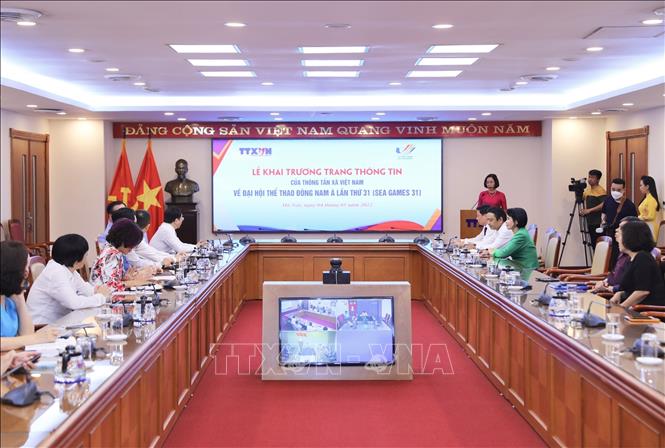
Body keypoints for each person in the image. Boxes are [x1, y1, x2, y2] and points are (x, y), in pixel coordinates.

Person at [27, 234, 110, 325]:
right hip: (43, 327)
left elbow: (86, 290)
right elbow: (74, 303)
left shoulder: (68, 269)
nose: (86, 259)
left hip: (60, 322)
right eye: (86, 255)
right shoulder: (56, 272)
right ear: (76, 260)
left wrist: (97, 291)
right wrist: (100, 297)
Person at [1, 241, 60, 351]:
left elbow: (27, 334)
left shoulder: (10, 299)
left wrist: (20, 300)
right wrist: (36, 338)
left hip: (15, 356)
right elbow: (29, 338)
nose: (27, 273)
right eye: (26, 267)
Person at [609, 221, 665, 307]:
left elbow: (642, 292)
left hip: (648, 310)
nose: (618, 240)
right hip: (638, 308)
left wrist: (621, 308)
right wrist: (620, 294)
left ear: (630, 237)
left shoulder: (643, 258)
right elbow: (633, 288)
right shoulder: (634, 258)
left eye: (620, 236)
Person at [91, 219, 151, 292]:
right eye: (132, 244)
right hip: (102, 296)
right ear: (124, 240)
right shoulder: (111, 255)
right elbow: (110, 287)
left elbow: (113, 279)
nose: (132, 248)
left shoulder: (116, 252)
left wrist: (125, 278)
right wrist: (135, 282)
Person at [592, 216, 641, 293]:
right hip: (610, 290)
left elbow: (631, 287)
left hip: (615, 294)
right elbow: (614, 275)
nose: (616, 230)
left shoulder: (637, 256)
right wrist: (604, 282)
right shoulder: (623, 252)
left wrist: (608, 288)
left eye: (621, 228)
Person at [600, 178, 638, 267]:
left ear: (624, 190)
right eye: (613, 189)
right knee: (608, 260)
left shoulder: (629, 205)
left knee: (618, 261)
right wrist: (603, 222)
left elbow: (634, 223)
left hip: (623, 238)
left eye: (618, 190)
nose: (615, 192)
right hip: (609, 235)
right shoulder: (608, 200)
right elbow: (603, 213)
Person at [579, 169, 607, 247]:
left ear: (598, 179)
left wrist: (589, 210)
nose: (590, 179)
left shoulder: (601, 190)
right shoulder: (588, 190)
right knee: (593, 244)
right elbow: (581, 199)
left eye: (592, 177)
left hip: (597, 222)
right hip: (590, 222)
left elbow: (604, 204)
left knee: (598, 245)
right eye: (589, 177)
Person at [637, 175, 661, 240]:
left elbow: (651, 216)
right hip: (645, 226)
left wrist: (639, 217)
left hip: (650, 228)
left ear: (647, 186)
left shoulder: (651, 199)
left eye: (641, 185)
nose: (640, 188)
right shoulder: (646, 198)